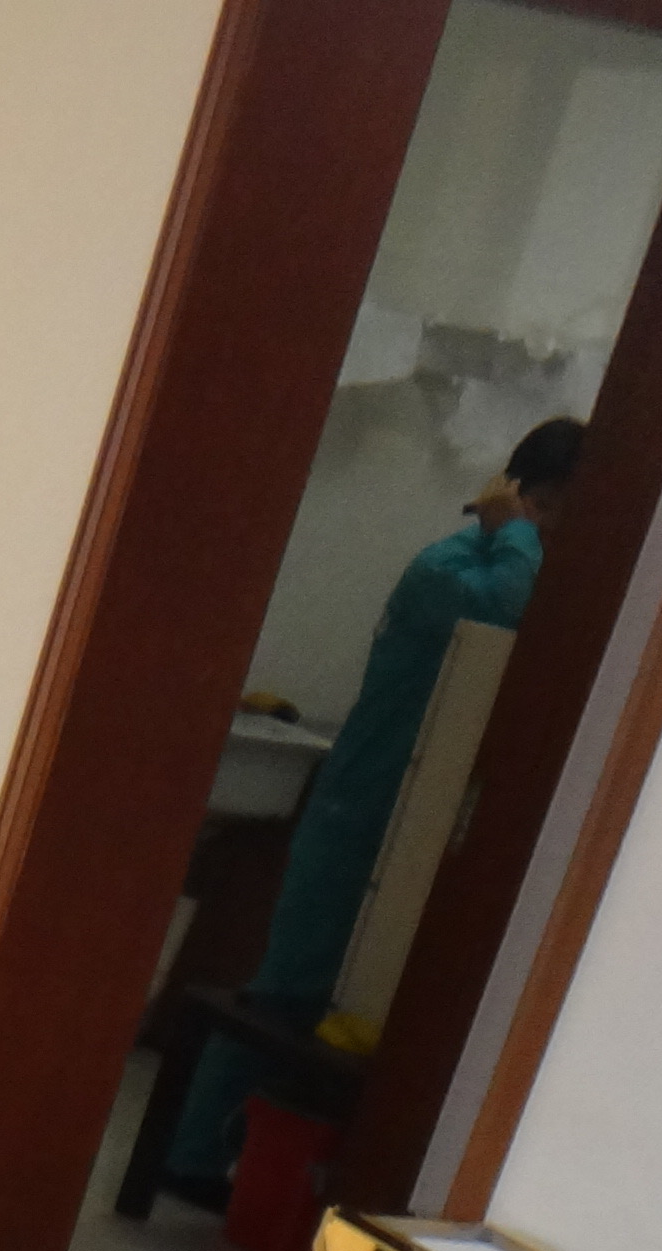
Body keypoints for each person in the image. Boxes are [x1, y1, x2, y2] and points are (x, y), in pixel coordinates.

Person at [160, 413, 587, 1203]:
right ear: (519, 495)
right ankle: (190, 1158)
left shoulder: (524, 572)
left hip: (422, 816)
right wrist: (516, 533)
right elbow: (503, 614)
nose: (558, 530)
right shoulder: (448, 567)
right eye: (551, 507)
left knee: (358, 1004)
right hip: (359, 807)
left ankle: (269, 1173)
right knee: (288, 989)